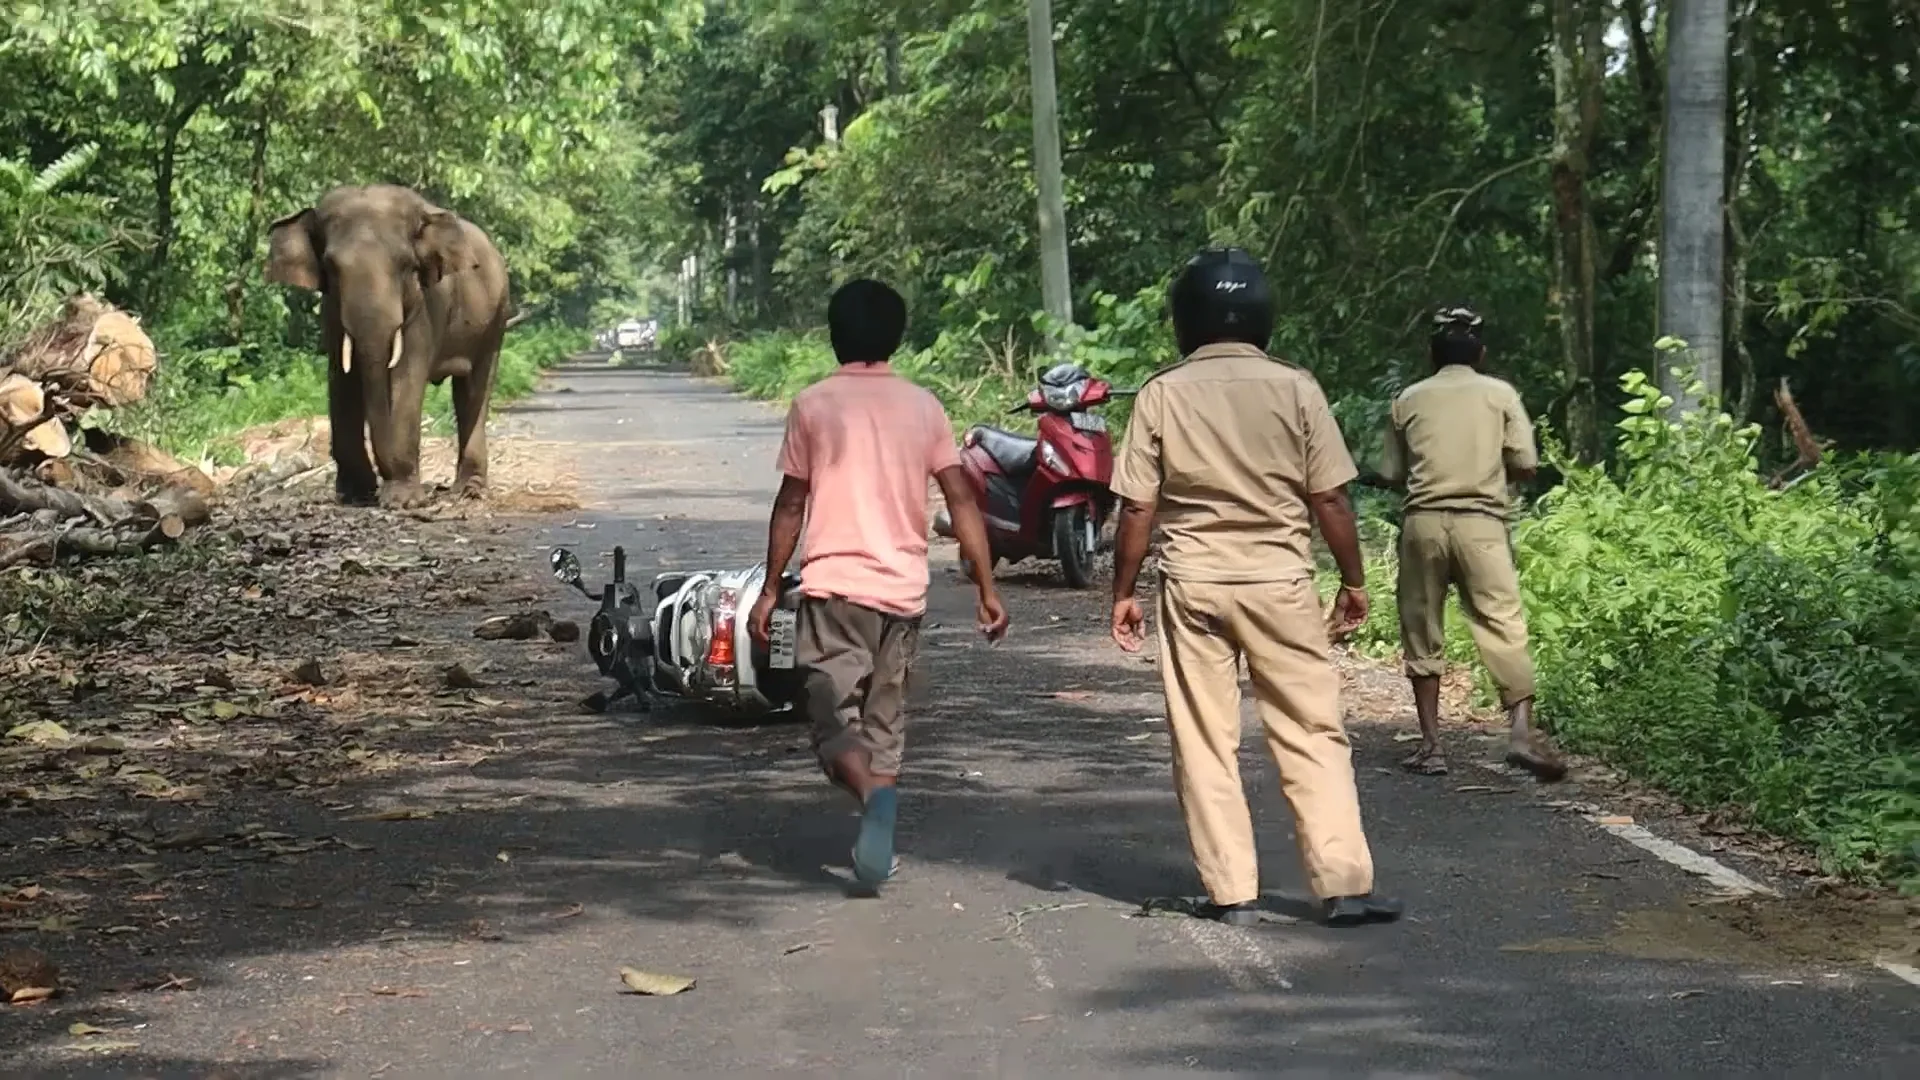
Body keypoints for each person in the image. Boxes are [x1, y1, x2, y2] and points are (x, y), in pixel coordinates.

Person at [1109, 247, 1401, 929]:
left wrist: (1122, 590)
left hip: (1195, 587)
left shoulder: (1162, 392)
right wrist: (1353, 580)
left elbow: (1136, 509)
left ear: (1185, 320)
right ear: (1263, 317)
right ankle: (1344, 886)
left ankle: (1230, 892)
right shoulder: (1296, 387)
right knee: (1312, 731)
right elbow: (1329, 497)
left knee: (1205, 739)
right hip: (1281, 585)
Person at [748, 278, 1010, 892]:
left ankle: (875, 806)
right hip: (903, 595)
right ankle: (875, 850)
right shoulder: (924, 406)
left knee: (829, 721)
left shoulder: (812, 405)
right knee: (883, 727)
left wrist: (768, 588)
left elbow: (791, 505)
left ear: (834, 337)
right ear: (897, 337)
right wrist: (986, 585)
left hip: (834, 590)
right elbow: (961, 499)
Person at [1376, 305, 1565, 782]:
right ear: (1480, 353)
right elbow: (1525, 462)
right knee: (1502, 621)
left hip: (1423, 523)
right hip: (1481, 524)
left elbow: (1392, 474)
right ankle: (1520, 732)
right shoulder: (1500, 394)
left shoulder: (1408, 399)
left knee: (1421, 626)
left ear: (1432, 354)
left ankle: (1432, 746)